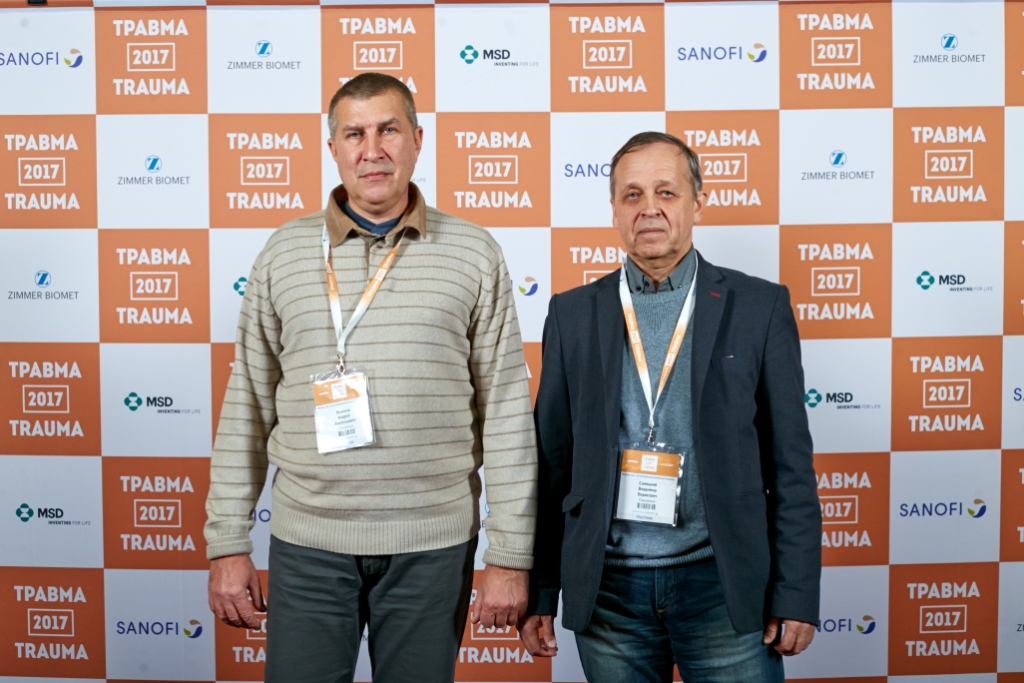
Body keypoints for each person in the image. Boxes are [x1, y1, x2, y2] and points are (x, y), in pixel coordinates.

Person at [204, 72, 538, 683]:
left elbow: (508, 414)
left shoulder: (474, 252)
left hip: (433, 546)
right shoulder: (283, 253)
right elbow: (246, 403)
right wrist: (227, 542)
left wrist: (511, 555)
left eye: (389, 130)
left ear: (417, 139)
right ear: (333, 147)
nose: (372, 149)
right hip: (308, 542)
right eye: (354, 134)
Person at [520, 131, 821, 682]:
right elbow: (552, 465)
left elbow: (790, 466)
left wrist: (796, 591)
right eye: (632, 195)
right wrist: (542, 589)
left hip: (723, 585)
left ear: (698, 203)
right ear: (614, 210)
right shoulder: (572, 314)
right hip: (608, 594)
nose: (649, 208)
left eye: (666, 192)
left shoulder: (759, 307)